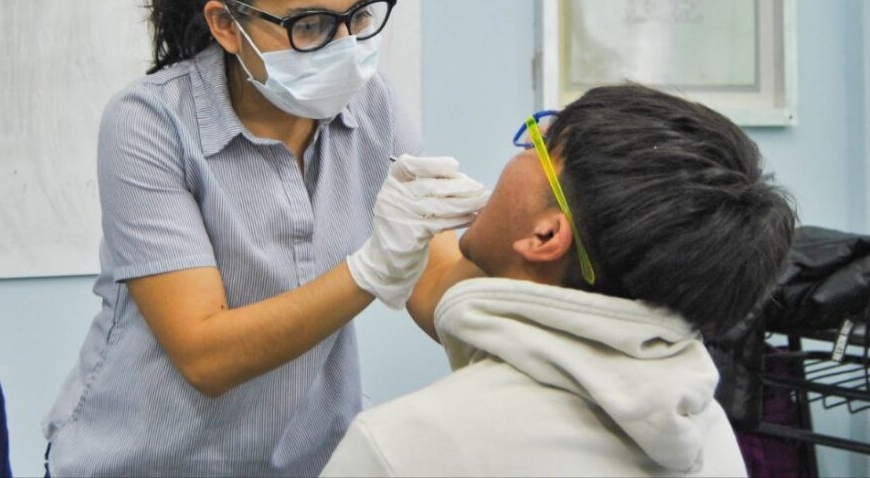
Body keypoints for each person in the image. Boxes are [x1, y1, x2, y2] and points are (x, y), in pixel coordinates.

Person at [43, 0, 488, 477]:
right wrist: (369, 269)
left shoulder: (371, 100)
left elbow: (434, 279)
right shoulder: (151, 122)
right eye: (309, 25)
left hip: (309, 462)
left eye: (359, 16)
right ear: (227, 26)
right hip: (147, 462)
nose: (346, 47)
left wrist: (541, 319)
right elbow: (205, 353)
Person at [321, 84, 798, 477]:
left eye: (541, 147)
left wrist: (371, 267)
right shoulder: (705, 432)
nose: (521, 152)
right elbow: (452, 291)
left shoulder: (401, 447)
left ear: (546, 234)